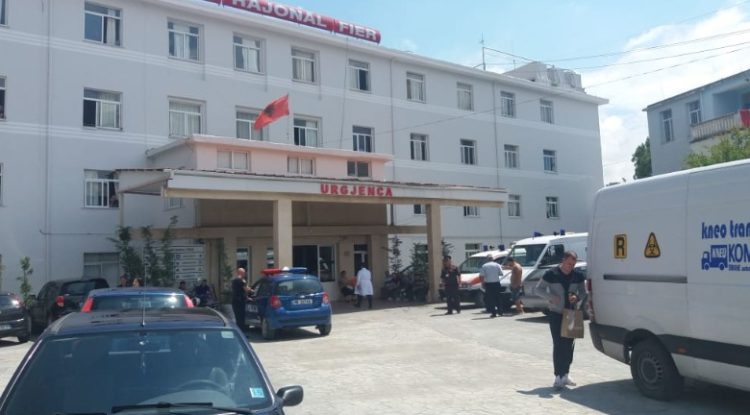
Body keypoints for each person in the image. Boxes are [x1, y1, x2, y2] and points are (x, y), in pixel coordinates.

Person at [535, 250, 586, 390]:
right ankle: (558, 376)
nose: (571, 267)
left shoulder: (578, 275)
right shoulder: (551, 274)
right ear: (563, 260)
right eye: (569, 264)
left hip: (572, 314)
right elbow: (538, 289)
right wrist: (551, 297)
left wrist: (577, 297)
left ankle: (566, 375)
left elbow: (583, 292)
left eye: (573, 264)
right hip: (556, 314)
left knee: (569, 346)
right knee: (558, 344)